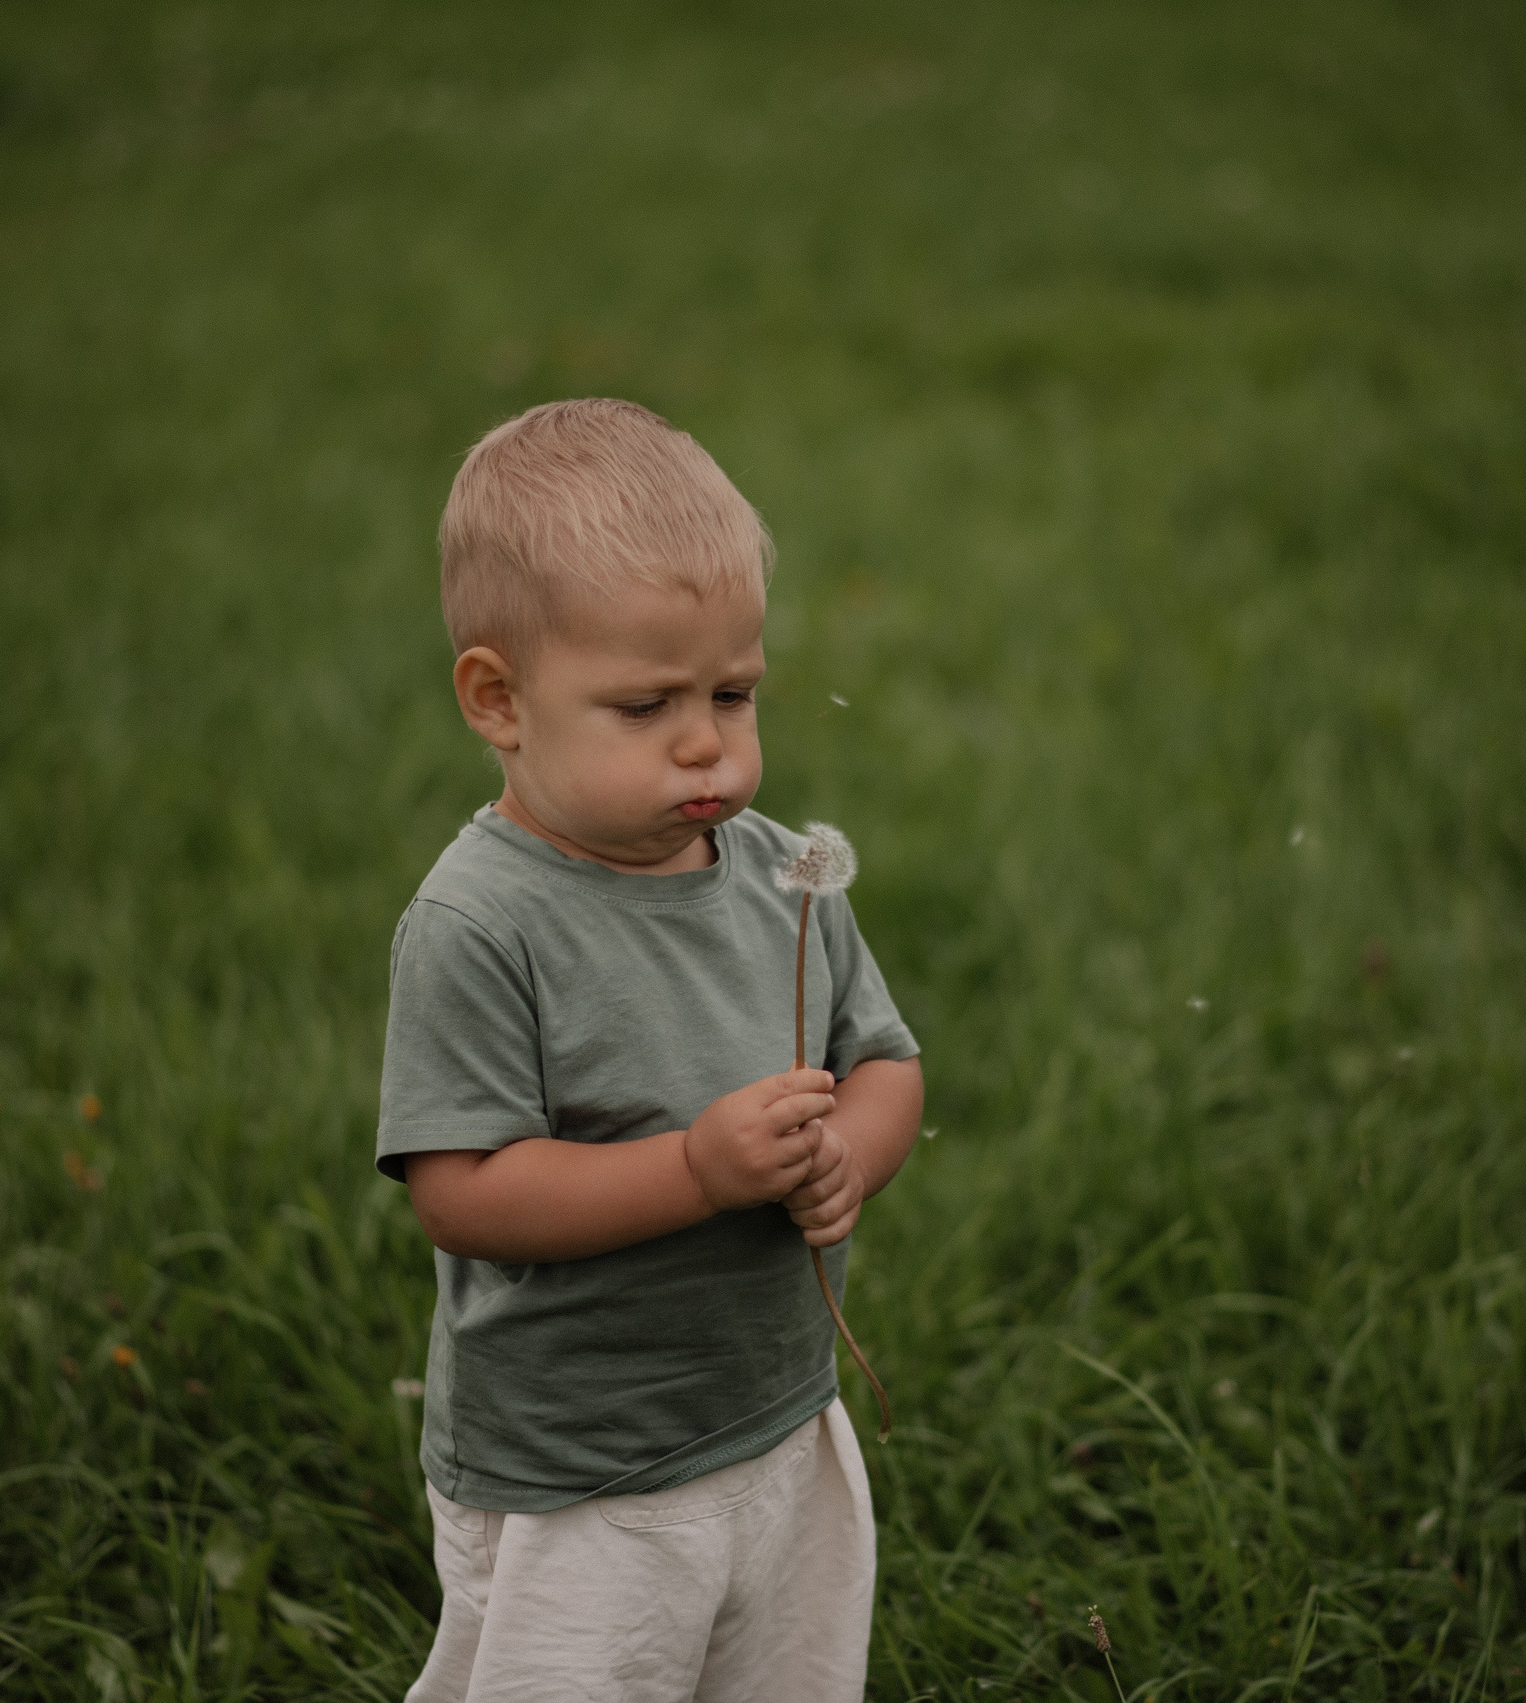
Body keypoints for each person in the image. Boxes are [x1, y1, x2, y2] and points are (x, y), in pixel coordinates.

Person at [376, 398, 925, 1702]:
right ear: (498, 701)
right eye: (645, 705)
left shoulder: (780, 877)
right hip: (583, 1474)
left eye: (733, 693)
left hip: (777, 1422)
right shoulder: (480, 925)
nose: (707, 741)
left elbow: (888, 1062)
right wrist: (696, 1169)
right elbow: (464, 1196)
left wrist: (849, 1150)